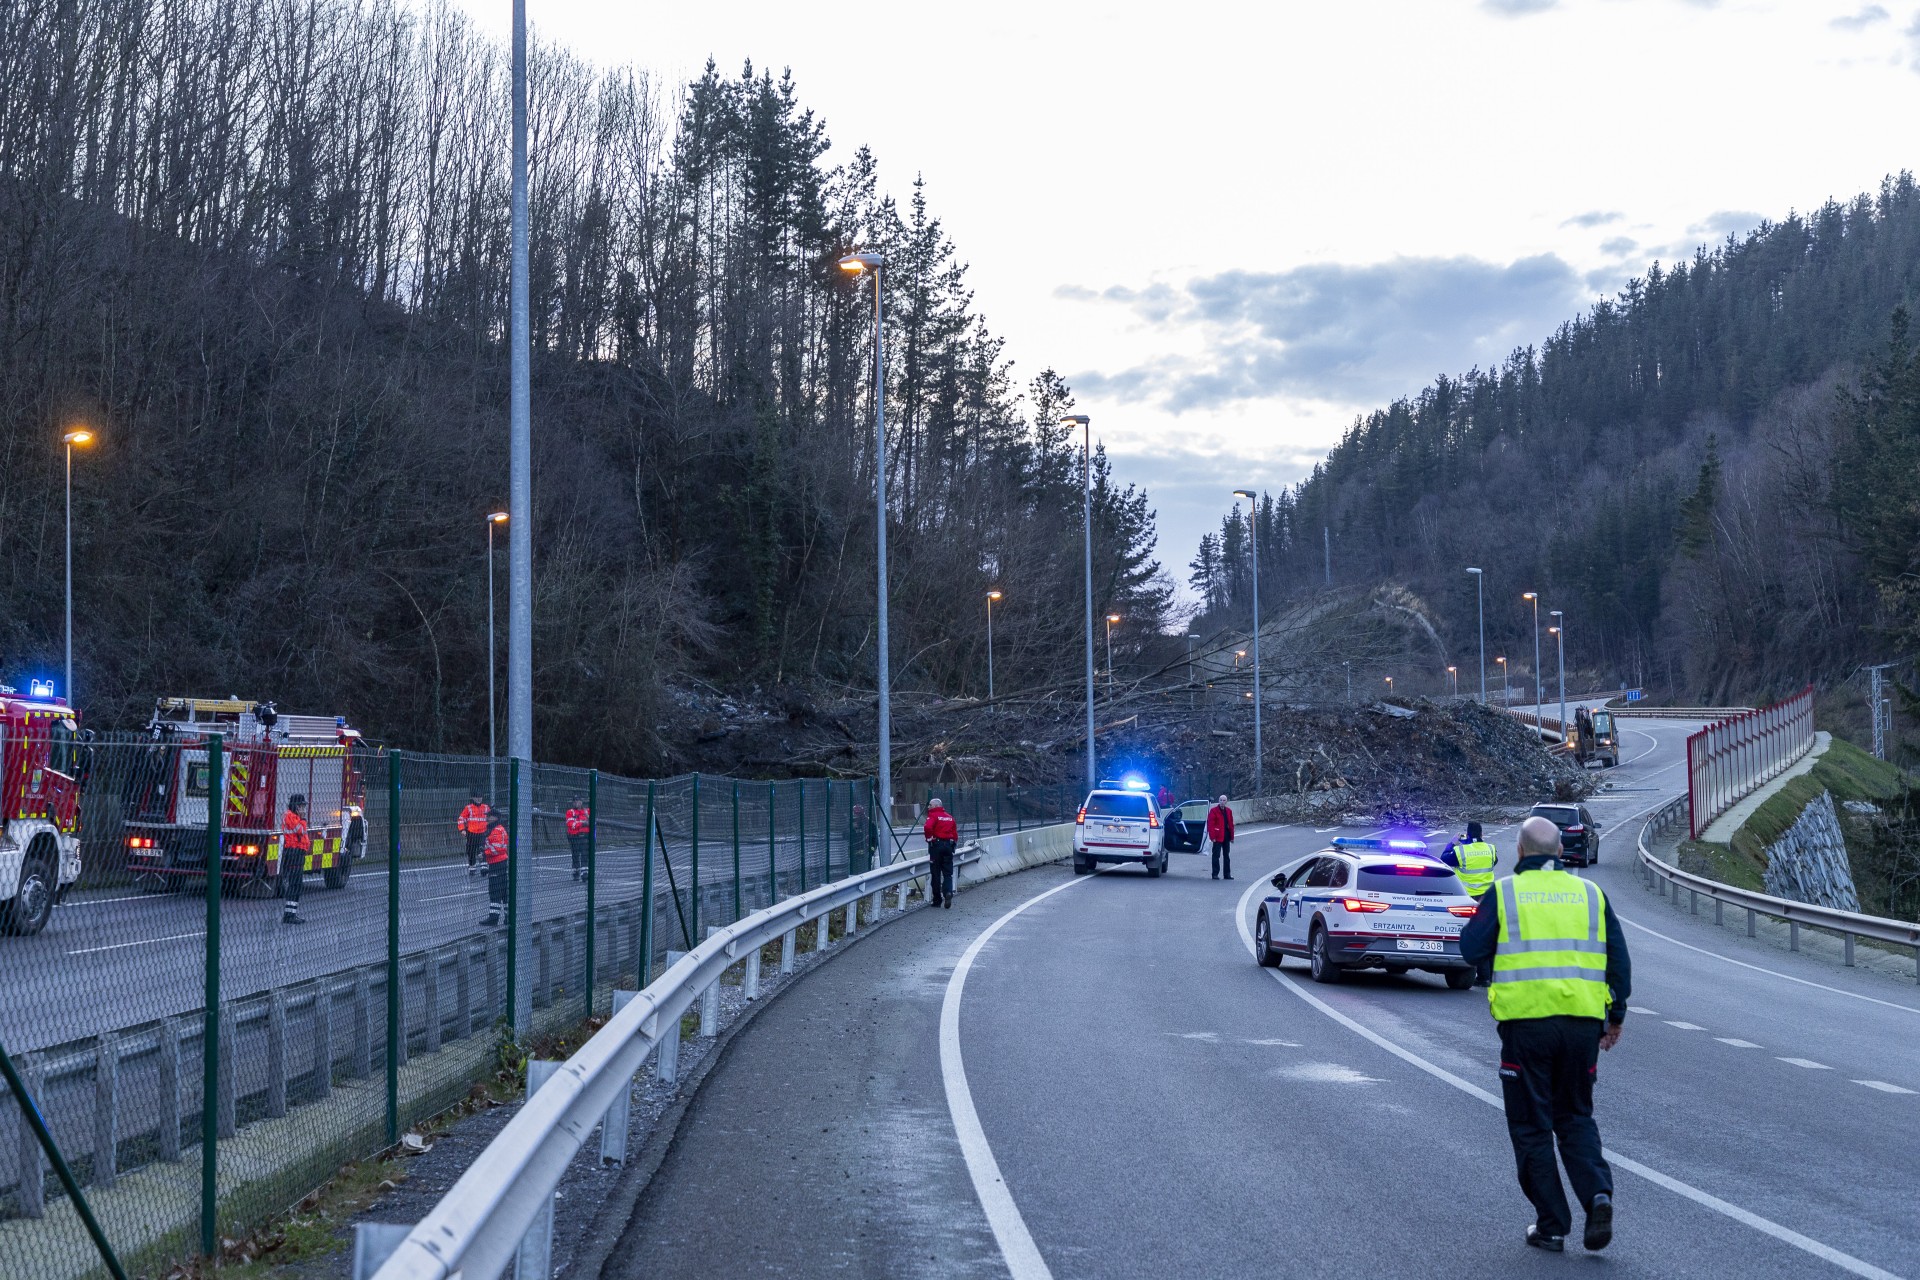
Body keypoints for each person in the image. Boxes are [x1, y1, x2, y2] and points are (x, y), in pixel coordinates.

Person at [1459, 815, 1631, 1255]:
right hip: (1581, 1029)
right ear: (1559, 853)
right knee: (1575, 1117)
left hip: (1527, 1029)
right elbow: (1619, 961)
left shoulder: (1505, 893)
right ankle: (1597, 1196)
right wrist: (1616, 1016)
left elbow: (1470, 949)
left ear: (1518, 852)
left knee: (1531, 1126)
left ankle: (1552, 1225)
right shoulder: (1590, 894)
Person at [1441, 820, 1498, 898]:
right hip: (1487, 895)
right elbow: (1493, 862)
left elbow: (1443, 859)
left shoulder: (1461, 851)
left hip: (1466, 894)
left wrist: (1452, 843)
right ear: (1482, 835)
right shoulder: (1490, 849)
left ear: (1467, 836)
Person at [280, 794, 311, 925]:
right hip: (293, 853)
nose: (303, 809)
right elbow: (301, 830)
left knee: (297, 885)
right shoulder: (290, 816)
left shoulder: (295, 817)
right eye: (300, 806)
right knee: (295, 885)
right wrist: (303, 819)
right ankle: (289, 915)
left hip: (297, 853)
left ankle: (291, 913)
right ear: (294, 806)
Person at [923, 798, 959, 908]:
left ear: (934, 806)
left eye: (930, 805)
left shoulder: (933, 815)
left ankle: (937, 900)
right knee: (948, 873)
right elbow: (955, 834)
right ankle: (948, 892)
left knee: (936, 873)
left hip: (936, 846)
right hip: (948, 846)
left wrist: (929, 838)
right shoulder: (949, 817)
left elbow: (927, 827)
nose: (928, 807)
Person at [482, 806, 511, 926]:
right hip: (501, 862)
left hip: (497, 863)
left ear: (496, 818)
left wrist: (485, 851)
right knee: (504, 891)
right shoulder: (498, 829)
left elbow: (497, 849)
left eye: (490, 816)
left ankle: (493, 918)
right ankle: (508, 917)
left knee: (494, 890)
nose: (487, 818)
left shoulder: (496, 831)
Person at [457, 791, 489, 876]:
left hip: (483, 833)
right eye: (476, 797)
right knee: (471, 851)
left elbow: (491, 818)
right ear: (473, 798)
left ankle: (484, 867)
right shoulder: (468, 808)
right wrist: (462, 829)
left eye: (480, 797)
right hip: (471, 833)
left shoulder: (486, 807)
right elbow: (461, 819)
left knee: (482, 849)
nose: (479, 799)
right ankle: (472, 867)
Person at [1206, 795, 1235, 880]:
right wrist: (1212, 837)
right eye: (1221, 800)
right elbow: (1210, 825)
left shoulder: (1229, 811)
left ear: (1226, 801)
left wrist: (1232, 837)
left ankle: (1227, 874)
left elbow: (1231, 824)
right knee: (1216, 855)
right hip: (1217, 836)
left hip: (1226, 835)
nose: (1222, 802)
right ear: (1219, 801)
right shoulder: (1214, 811)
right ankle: (1215, 873)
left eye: (1224, 800)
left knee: (1226, 855)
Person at [565, 796, 591, 881]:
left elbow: (592, 822)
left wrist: (586, 818)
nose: (576, 803)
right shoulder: (570, 812)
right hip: (574, 836)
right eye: (575, 801)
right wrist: (583, 822)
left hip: (585, 836)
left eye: (578, 801)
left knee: (584, 854)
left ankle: (584, 873)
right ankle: (576, 872)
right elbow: (571, 824)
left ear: (581, 802)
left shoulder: (587, 811)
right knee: (575, 855)